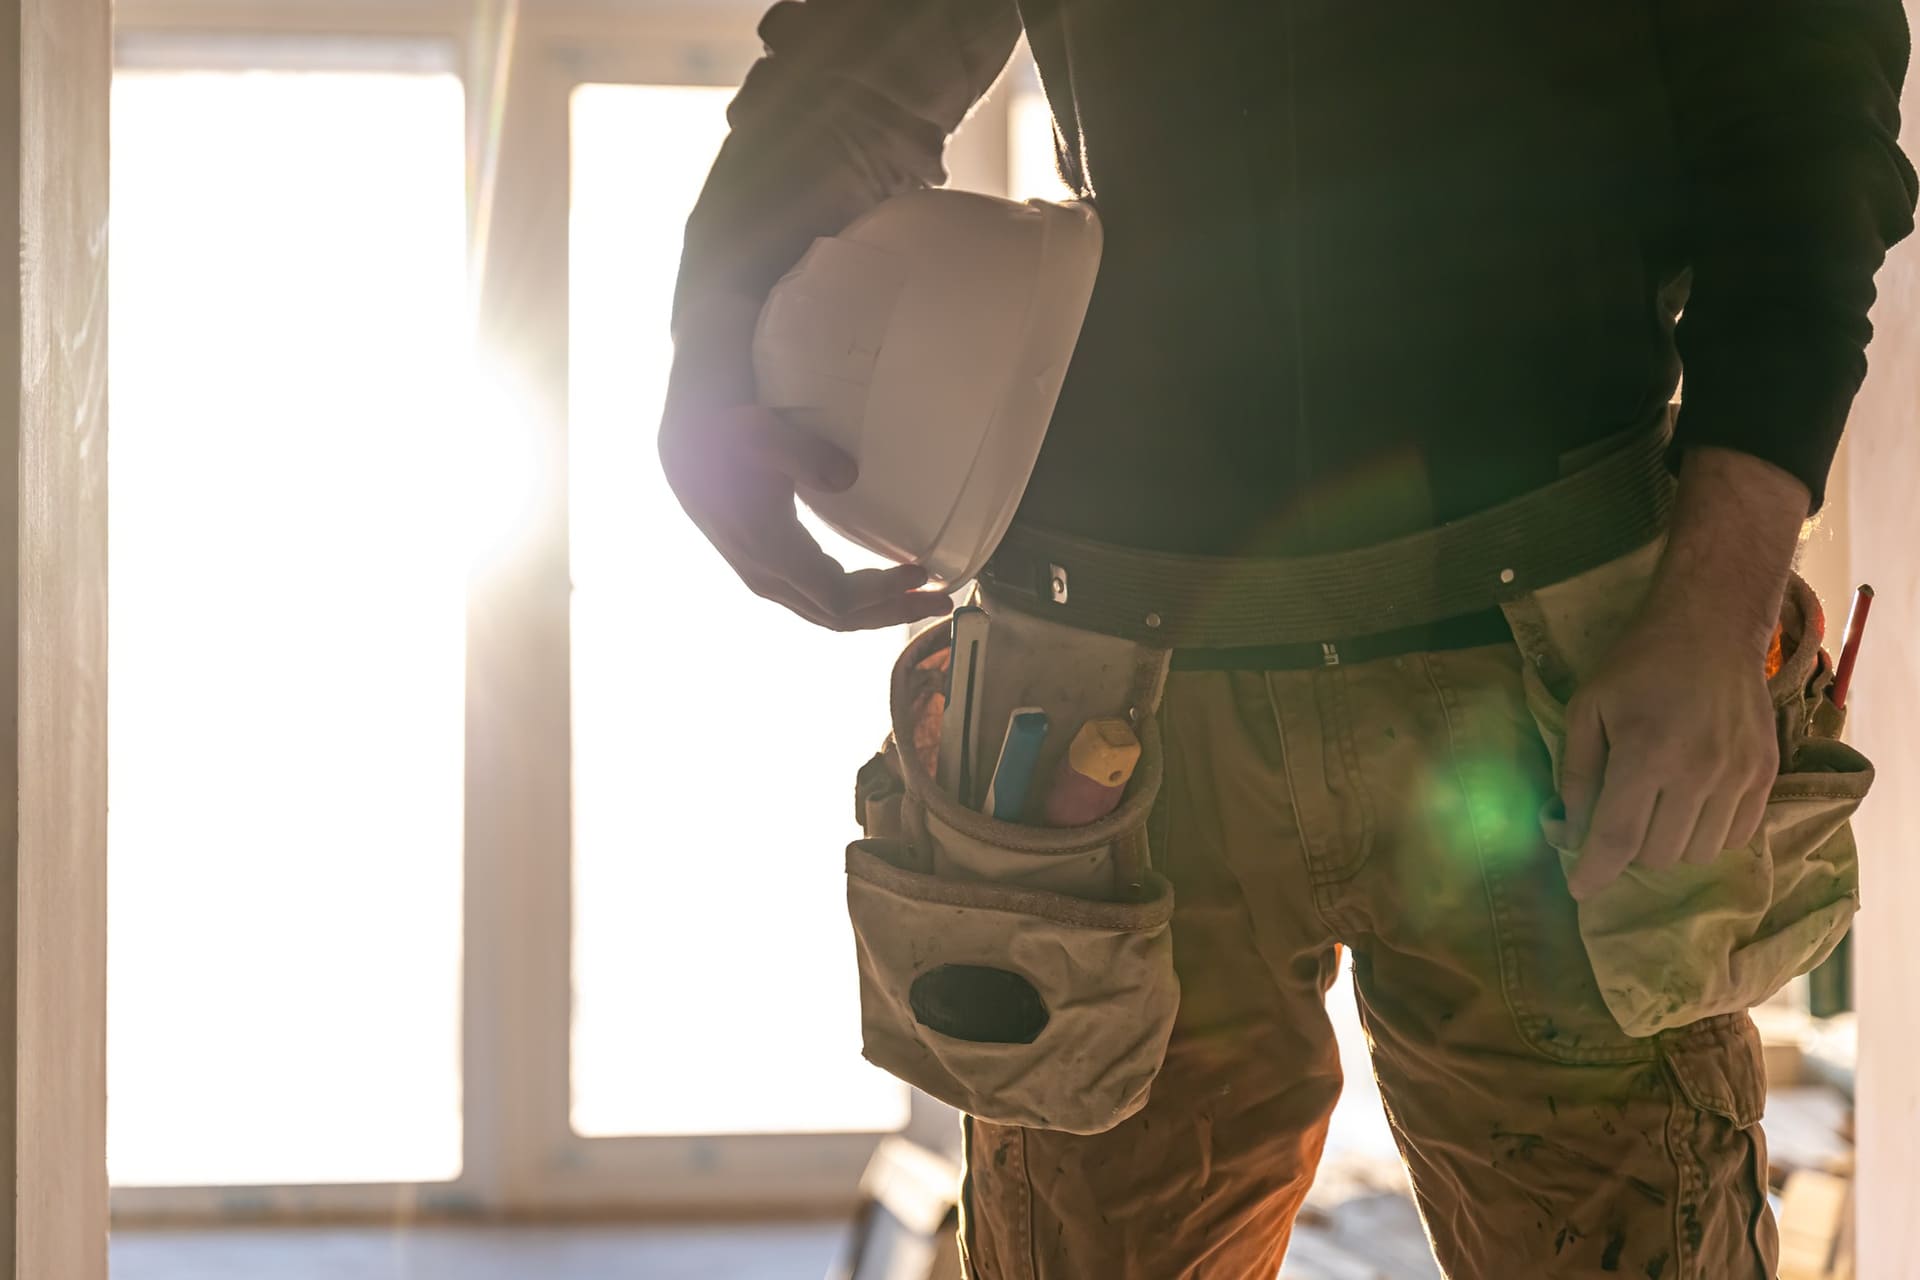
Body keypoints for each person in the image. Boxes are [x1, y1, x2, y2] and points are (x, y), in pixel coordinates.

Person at [659, 3, 1917, 1276]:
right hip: (1129, 701)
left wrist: (1715, 608)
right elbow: (862, 59)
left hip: (1553, 672)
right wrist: (712, 339)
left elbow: (1804, 119)